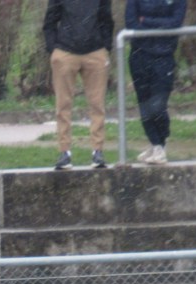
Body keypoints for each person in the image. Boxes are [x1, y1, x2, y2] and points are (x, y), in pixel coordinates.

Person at [43, 0, 115, 170]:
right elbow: (49, 22)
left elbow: (106, 19)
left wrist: (105, 47)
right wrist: (54, 50)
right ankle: (64, 152)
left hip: (95, 52)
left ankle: (97, 151)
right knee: (63, 105)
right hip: (65, 52)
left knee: (97, 104)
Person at [126, 0, 187, 165]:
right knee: (144, 104)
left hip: (164, 56)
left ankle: (161, 143)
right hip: (139, 55)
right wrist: (159, 27)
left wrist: (146, 21)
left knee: (159, 104)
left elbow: (175, 22)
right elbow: (131, 23)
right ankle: (155, 144)